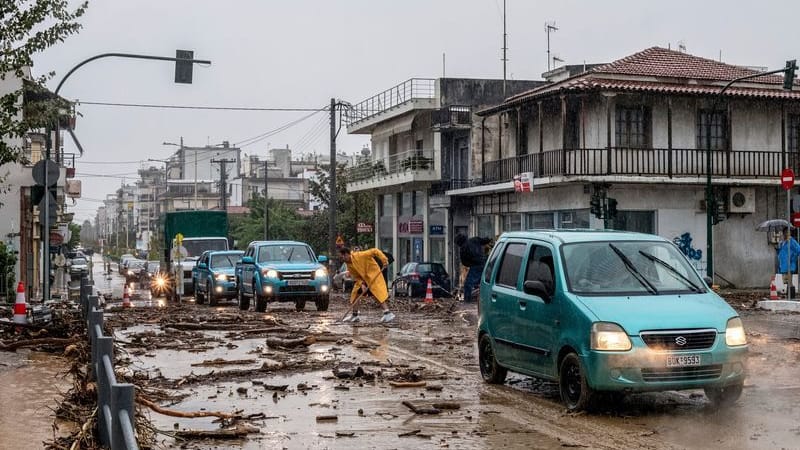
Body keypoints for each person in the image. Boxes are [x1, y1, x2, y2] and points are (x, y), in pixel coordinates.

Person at [339, 247, 395, 323]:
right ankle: (355, 315)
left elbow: (375, 251)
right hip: (363, 279)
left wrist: (384, 260)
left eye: (342, 257)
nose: (342, 259)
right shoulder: (349, 264)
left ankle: (387, 313)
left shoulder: (360, 255)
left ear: (346, 254)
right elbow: (356, 276)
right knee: (355, 294)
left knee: (376, 294)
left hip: (372, 275)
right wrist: (362, 284)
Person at [455, 234, 492, 303]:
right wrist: (490, 240)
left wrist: (471, 264)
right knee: (486, 281)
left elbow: (464, 262)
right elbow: (485, 240)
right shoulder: (474, 240)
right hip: (485, 263)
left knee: (468, 284)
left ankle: (467, 301)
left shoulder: (463, 248)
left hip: (475, 266)